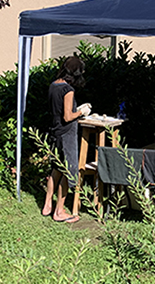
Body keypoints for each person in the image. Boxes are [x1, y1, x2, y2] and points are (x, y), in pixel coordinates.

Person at [42, 56, 91, 223]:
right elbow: (68, 115)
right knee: (70, 172)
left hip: (55, 132)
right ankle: (59, 211)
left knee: (56, 169)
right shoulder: (68, 89)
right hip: (66, 134)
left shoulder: (53, 85)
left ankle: (47, 205)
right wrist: (82, 111)